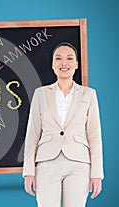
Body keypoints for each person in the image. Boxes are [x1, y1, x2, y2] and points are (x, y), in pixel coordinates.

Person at [22, 42, 104, 207]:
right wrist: (28, 172)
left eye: (69, 58)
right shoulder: (41, 94)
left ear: (76, 64)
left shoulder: (89, 95)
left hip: (79, 164)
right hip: (47, 163)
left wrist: (97, 174)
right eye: (58, 59)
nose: (63, 63)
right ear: (53, 64)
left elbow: (94, 135)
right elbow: (32, 134)